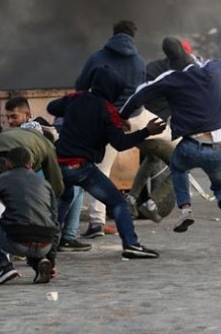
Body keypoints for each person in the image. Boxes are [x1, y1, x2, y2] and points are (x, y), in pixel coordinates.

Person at [120, 37, 221, 234]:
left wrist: (121, 117)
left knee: (177, 167)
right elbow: (212, 62)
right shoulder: (216, 69)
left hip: (189, 145)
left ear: (170, 60)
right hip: (218, 146)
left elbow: (138, 95)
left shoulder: (171, 78)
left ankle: (185, 210)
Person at [48, 65, 166, 259]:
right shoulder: (107, 110)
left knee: (64, 200)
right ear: (113, 89)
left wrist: (75, 107)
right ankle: (131, 244)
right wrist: (146, 131)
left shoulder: (76, 98)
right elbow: (120, 143)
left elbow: (52, 107)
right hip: (82, 168)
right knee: (118, 203)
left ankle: (47, 246)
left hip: (60, 164)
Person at [74, 20, 171, 238]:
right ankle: (152, 201)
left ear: (113, 34)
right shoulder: (138, 61)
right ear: (132, 36)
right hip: (137, 117)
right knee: (180, 147)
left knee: (101, 171)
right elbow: (141, 92)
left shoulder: (97, 58)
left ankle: (97, 223)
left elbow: (80, 87)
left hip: (107, 121)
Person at [4, 97, 90, 252]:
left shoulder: (33, 129)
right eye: (8, 117)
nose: (10, 121)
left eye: (14, 117)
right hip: (29, 177)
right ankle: (62, 236)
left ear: (27, 115)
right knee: (71, 190)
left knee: (74, 188)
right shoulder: (25, 131)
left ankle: (66, 237)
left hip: (36, 173)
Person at [0, 147, 58, 285]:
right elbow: (55, 219)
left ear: (8, 163)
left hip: (18, 241)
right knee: (33, 226)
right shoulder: (45, 184)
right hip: (46, 244)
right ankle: (40, 262)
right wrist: (51, 258)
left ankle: (2, 266)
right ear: (30, 164)